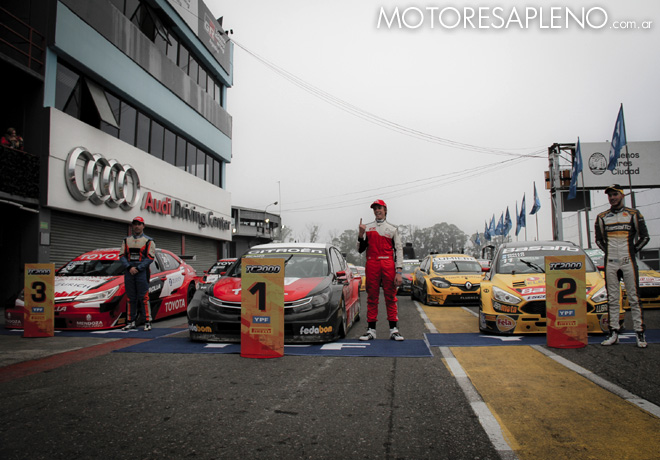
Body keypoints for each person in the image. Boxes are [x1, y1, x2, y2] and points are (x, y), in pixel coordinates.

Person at [595, 184, 650, 348]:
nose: (612, 198)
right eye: (610, 196)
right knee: (612, 299)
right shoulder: (602, 217)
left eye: (615, 195)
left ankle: (639, 334)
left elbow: (645, 237)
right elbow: (599, 240)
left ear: (622, 195)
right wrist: (610, 252)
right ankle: (613, 333)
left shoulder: (633, 214)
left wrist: (633, 251)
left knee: (633, 297)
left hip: (628, 261)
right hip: (611, 261)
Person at [357, 199, 404, 341]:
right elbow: (360, 250)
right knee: (372, 297)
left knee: (390, 296)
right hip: (372, 264)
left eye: (380, 208)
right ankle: (371, 330)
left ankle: (393, 330)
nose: (377, 210)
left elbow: (399, 250)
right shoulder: (367, 228)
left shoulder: (392, 228)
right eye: (375, 208)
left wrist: (399, 271)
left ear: (385, 210)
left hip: (388, 264)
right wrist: (360, 234)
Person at [120, 216, 156, 331]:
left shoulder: (149, 240)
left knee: (144, 297)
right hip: (129, 272)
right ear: (132, 226)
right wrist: (129, 267)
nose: (136, 226)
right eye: (135, 224)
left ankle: (147, 321)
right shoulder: (126, 240)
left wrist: (139, 268)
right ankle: (131, 321)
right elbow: (122, 256)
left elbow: (150, 257)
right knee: (131, 297)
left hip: (142, 272)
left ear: (143, 226)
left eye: (139, 224)